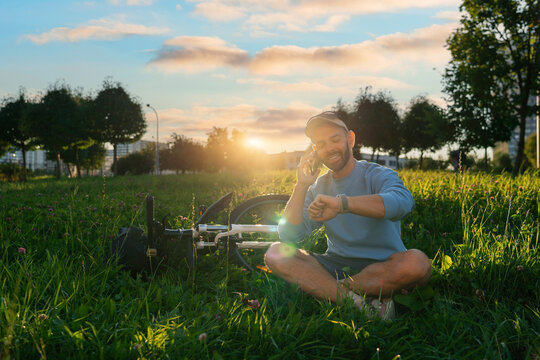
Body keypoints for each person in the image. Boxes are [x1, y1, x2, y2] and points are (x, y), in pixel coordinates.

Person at [264, 111, 432, 319]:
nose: (329, 148)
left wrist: (343, 204)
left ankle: (327, 290)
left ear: (350, 139)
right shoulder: (319, 187)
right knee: (275, 253)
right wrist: (301, 185)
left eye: (335, 140)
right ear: (316, 151)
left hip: (384, 265)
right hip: (336, 264)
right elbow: (290, 235)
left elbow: (403, 202)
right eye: (321, 144)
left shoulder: (377, 174)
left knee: (417, 263)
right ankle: (360, 302)